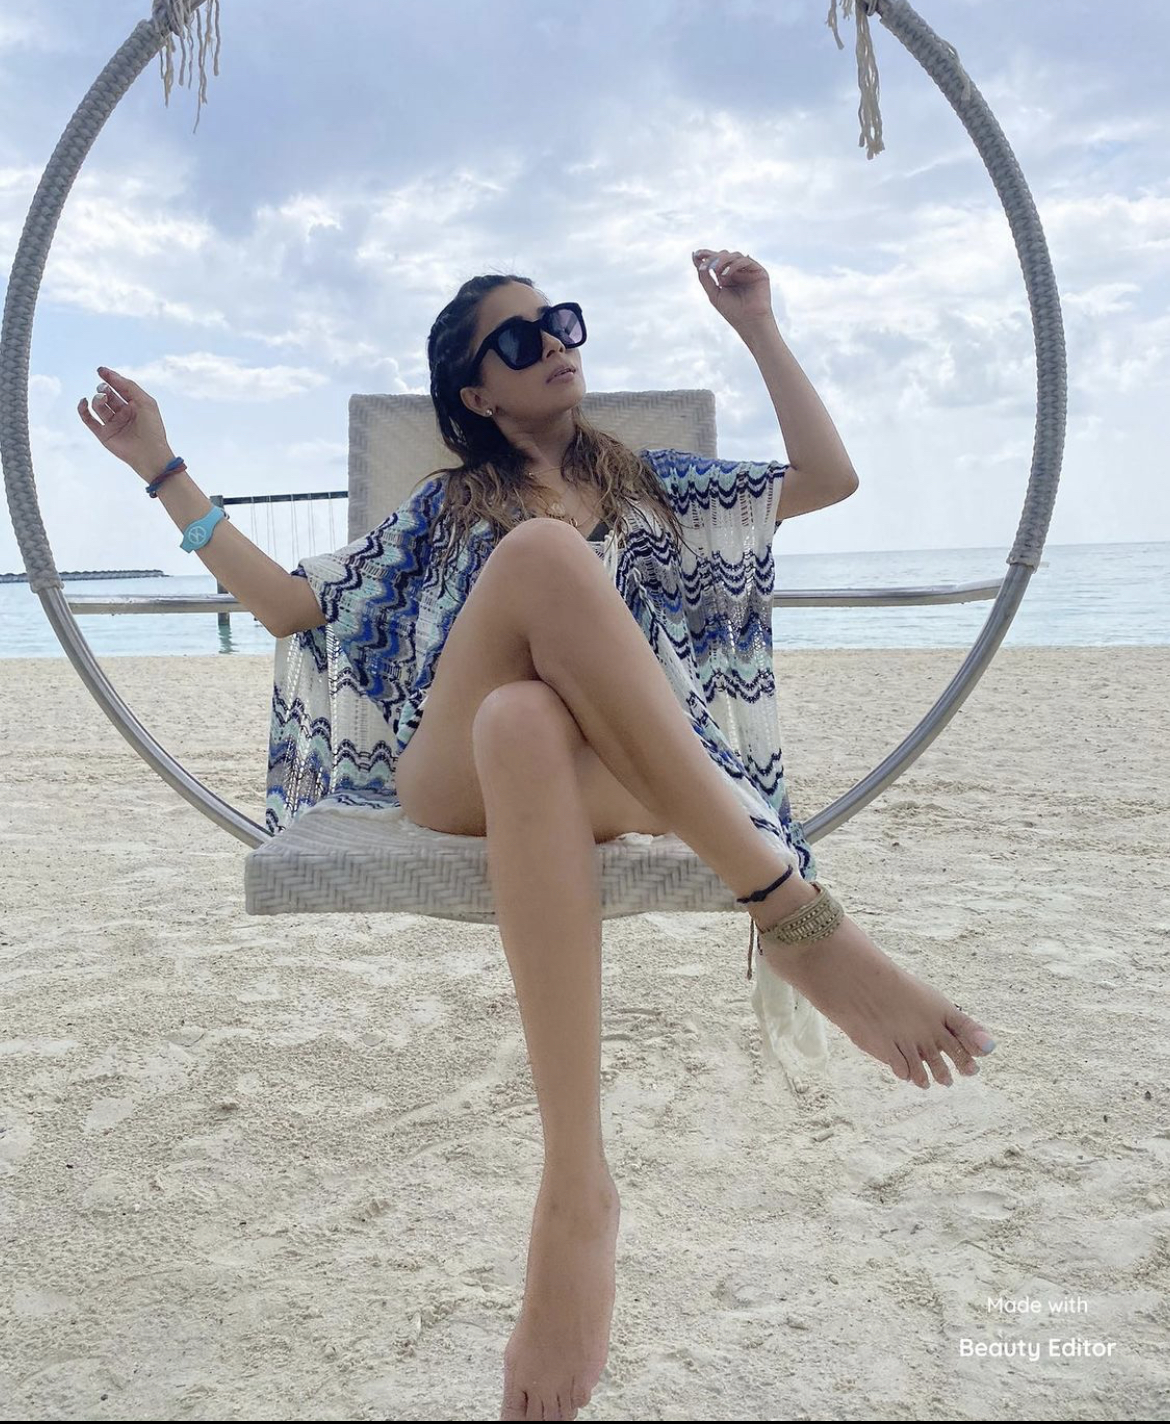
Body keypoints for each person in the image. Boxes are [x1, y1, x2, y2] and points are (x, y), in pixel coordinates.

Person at [79, 248, 996, 1423]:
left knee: (527, 716)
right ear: (476, 392)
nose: (555, 341)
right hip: (446, 772)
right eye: (519, 337)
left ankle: (576, 1188)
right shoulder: (444, 510)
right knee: (536, 574)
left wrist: (758, 324)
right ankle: (790, 913)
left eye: (562, 319)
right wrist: (161, 466)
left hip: (628, 772)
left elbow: (830, 476)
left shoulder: (657, 487)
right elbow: (288, 604)